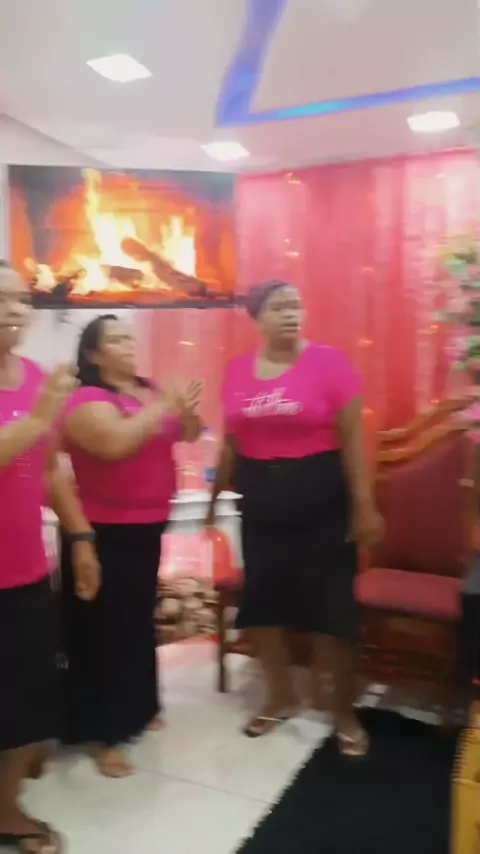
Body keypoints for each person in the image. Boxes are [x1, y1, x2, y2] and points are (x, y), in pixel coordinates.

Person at [207, 280, 384, 755]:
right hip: (261, 508)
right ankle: (279, 697)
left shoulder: (330, 363)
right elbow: (231, 440)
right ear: (256, 318)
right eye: (279, 307)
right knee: (265, 608)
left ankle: (342, 710)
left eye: (296, 306)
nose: (291, 314)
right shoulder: (237, 370)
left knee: (333, 612)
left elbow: (353, 440)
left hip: (322, 505)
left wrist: (365, 506)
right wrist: (212, 498)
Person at [60, 314, 202, 778]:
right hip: (101, 530)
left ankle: (140, 708)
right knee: (104, 630)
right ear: (94, 354)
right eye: (116, 339)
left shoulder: (149, 389)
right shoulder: (85, 399)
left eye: (129, 336)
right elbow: (115, 444)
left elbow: (188, 434)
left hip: (147, 522)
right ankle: (106, 735)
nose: (129, 344)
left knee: (138, 621)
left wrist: (186, 413)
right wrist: (164, 408)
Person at [0, 262, 100, 854]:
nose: (13, 310)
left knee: (26, 700)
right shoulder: (42, 397)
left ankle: (7, 807)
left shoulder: (37, 377)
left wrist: (81, 536)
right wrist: (38, 418)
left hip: (24, 571)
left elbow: (52, 468)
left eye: (20, 299)